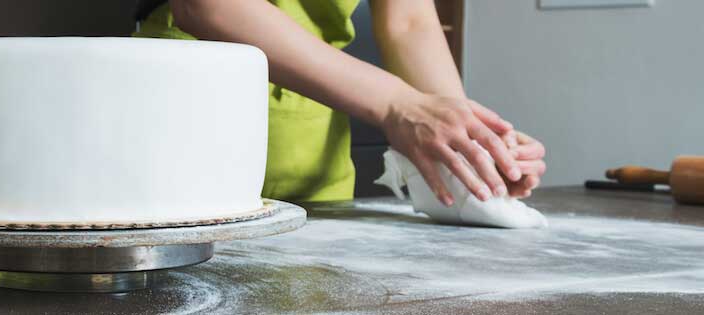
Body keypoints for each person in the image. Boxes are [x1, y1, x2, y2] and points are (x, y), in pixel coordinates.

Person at [134, 0, 546, 206]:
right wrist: (397, 104)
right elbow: (207, 5)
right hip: (189, 131)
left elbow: (408, 19)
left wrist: (465, 143)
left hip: (315, 152)